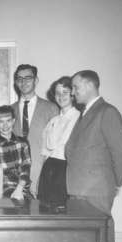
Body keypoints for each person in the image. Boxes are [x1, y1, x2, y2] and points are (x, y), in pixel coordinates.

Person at [65, 70, 122, 242]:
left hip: (95, 189)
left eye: (75, 87)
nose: (72, 92)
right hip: (79, 189)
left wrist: (118, 181)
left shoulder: (107, 112)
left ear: (90, 85)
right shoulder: (86, 114)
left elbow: (120, 150)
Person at [11, 64, 58, 197]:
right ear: (15, 82)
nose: (23, 82)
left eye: (28, 78)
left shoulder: (51, 108)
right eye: (19, 78)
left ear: (36, 80)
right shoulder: (9, 111)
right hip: (16, 177)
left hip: (43, 173)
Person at [37, 76, 80, 204]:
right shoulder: (53, 121)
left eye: (65, 92)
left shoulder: (79, 118)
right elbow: (46, 150)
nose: (61, 96)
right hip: (50, 168)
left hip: (66, 169)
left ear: (72, 94)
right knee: (45, 207)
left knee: (63, 208)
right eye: (57, 93)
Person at [0, 105, 31, 200]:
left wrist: (19, 189)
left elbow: (26, 169)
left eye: (8, 121)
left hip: (22, 189)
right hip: (1, 191)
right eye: (1, 122)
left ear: (13, 121)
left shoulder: (23, 143)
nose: (5, 125)